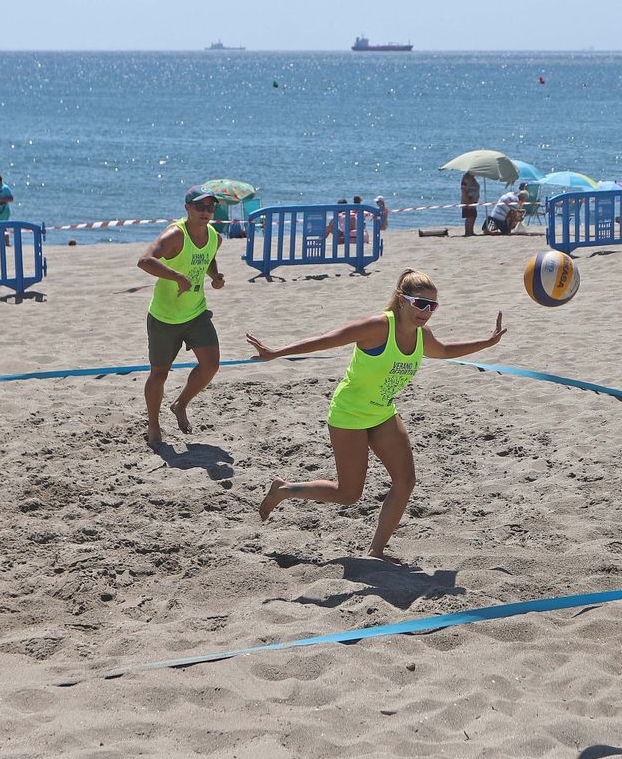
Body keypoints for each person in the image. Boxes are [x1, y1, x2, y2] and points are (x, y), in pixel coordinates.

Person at [247, 269, 508, 563]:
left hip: (382, 413)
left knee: (405, 481)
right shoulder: (378, 327)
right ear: (402, 300)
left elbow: (445, 350)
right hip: (349, 414)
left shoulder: (422, 335)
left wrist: (487, 342)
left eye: (432, 306)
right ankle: (284, 490)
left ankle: (376, 551)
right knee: (348, 494)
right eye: (421, 304)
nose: (426, 312)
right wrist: (276, 352)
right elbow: (327, 340)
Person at [136, 186, 226, 445]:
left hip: (196, 312)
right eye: (200, 206)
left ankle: (180, 404)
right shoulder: (175, 234)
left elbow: (208, 258)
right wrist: (176, 276)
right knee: (159, 375)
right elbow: (144, 261)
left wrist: (215, 276)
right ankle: (153, 425)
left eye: (210, 207)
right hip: (165, 317)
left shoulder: (215, 237)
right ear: (187, 207)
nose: (206, 211)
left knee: (211, 365)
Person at [460, 172, 480, 236]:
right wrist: (468, 200)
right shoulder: (466, 178)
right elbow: (464, 190)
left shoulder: (472, 179)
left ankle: (471, 231)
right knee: (469, 216)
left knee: (473, 216)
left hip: (473, 200)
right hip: (468, 200)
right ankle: (468, 232)